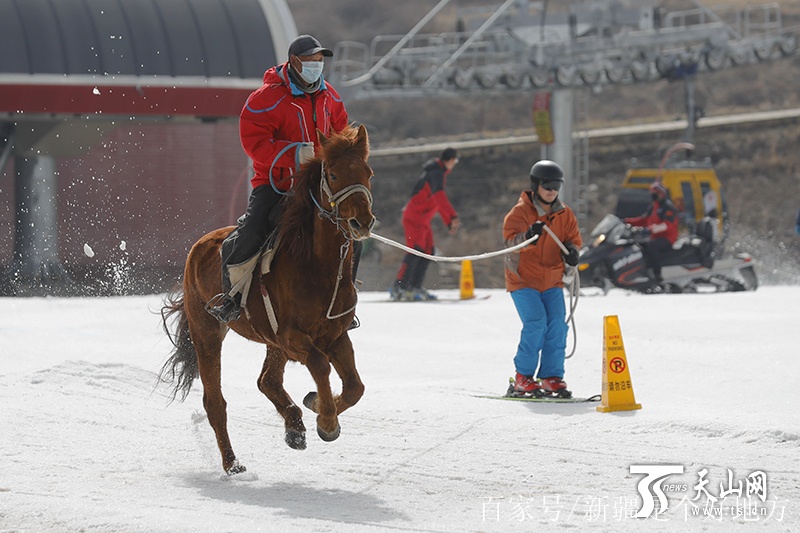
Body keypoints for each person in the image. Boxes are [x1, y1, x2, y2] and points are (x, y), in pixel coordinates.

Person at [207, 34, 351, 323]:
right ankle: (231, 297)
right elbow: (254, 144)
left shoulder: (331, 97)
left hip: (319, 188)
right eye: (311, 61)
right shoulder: (264, 99)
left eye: (320, 61)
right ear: (295, 62)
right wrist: (294, 154)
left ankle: (343, 301)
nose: (317, 66)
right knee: (252, 232)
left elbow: (342, 134)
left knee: (348, 234)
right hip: (275, 185)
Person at [503, 160, 582, 397]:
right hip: (523, 281)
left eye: (556, 186)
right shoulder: (519, 213)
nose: (552, 191)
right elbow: (508, 243)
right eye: (547, 185)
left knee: (558, 325)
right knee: (537, 323)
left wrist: (573, 252)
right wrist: (526, 237)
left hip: (552, 281)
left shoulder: (564, 214)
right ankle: (523, 377)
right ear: (536, 185)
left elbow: (573, 239)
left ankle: (551, 376)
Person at [389, 148, 461, 301]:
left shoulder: (439, 173)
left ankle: (415, 286)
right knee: (415, 251)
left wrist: (448, 222)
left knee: (428, 252)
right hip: (413, 218)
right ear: (450, 160)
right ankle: (399, 287)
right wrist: (452, 216)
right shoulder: (436, 173)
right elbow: (439, 197)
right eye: (455, 161)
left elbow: (437, 201)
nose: (454, 164)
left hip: (423, 220)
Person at [624, 181, 678, 283]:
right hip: (654, 237)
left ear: (662, 194)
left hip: (667, 238)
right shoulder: (653, 206)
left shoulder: (668, 208)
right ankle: (641, 272)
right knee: (637, 246)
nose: (653, 195)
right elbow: (643, 220)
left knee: (653, 246)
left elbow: (667, 225)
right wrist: (626, 221)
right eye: (652, 192)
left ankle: (657, 275)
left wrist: (650, 229)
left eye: (655, 193)